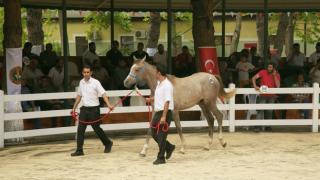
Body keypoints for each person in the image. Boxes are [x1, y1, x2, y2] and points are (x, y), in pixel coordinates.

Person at [71, 65, 115, 156]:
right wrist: (74, 107)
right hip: (84, 109)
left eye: (88, 72)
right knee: (80, 129)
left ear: (91, 73)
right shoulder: (81, 82)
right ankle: (79, 150)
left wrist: (109, 105)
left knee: (96, 129)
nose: (86, 74)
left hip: (94, 109)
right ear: (82, 73)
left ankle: (107, 143)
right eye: (85, 72)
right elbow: (79, 95)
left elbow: (103, 93)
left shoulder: (96, 82)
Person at [145, 65, 175, 165]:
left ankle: (161, 157)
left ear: (159, 73)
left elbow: (167, 101)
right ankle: (169, 146)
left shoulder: (167, 85)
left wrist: (164, 116)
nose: (154, 73)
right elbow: (159, 96)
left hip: (164, 113)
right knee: (153, 133)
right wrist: (150, 99)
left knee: (161, 136)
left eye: (155, 71)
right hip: (158, 113)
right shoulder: (159, 83)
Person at [252, 62, 280, 132]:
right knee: (260, 110)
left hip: (271, 96)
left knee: (269, 112)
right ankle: (257, 127)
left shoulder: (277, 75)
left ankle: (268, 126)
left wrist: (275, 76)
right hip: (263, 95)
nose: (268, 68)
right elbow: (253, 78)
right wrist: (255, 86)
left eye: (270, 67)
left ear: (273, 68)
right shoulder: (263, 72)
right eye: (268, 67)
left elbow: (278, 86)